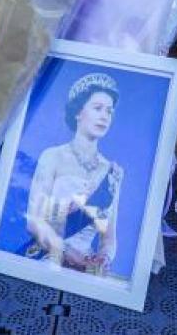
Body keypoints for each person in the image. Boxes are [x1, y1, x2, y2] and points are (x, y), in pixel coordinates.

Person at [24, 72, 124, 274]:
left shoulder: (113, 172)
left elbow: (109, 238)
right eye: (97, 108)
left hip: (86, 266)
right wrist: (67, 252)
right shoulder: (52, 157)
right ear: (79, 112)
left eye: (109, 111)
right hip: (48, 257)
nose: (104, 116)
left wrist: (104, 257)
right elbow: (34, 222)